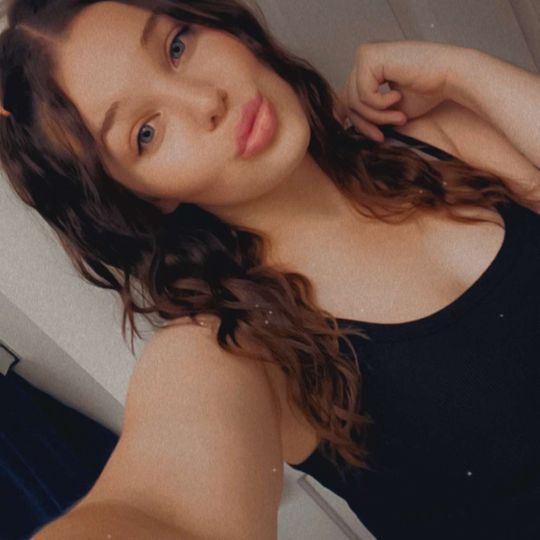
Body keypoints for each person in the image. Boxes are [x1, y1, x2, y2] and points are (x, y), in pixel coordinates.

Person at [0, 0, 539, 538]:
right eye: (145, 133)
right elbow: (161, 508)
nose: (206, 100)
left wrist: (460, 70)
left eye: (177, 46)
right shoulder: (244, 346)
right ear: (140, 197)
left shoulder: (434, 141)